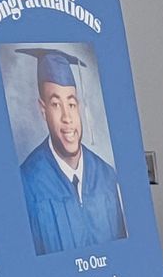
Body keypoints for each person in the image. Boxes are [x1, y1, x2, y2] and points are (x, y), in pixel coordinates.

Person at [17, 51, 126, 255]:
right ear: (43, 110)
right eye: (56, 104)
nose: (67, 117)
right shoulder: (27, 181)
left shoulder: (106, 175)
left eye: (72, 104)